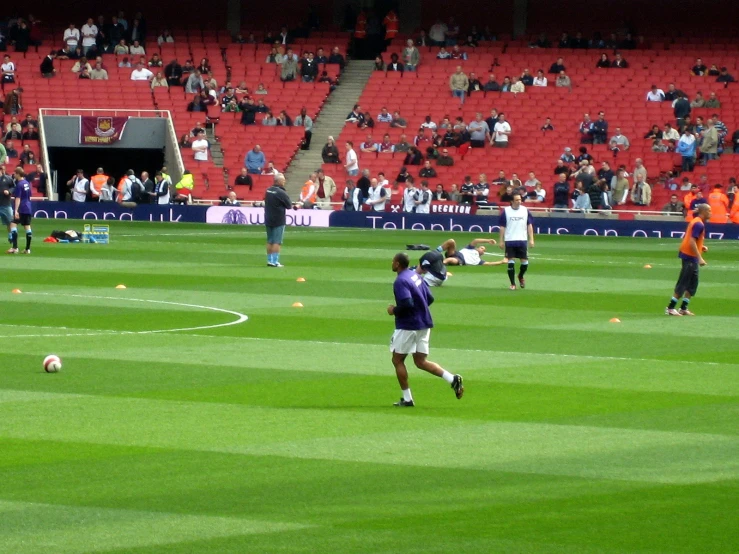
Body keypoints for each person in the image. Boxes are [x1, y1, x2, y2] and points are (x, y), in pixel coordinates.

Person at [387, 252, 464, 407]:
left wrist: (393, 310)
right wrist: (420, 310)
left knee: (397, 360)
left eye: (393, 261)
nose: (392, 264)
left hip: (409, 326)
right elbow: (430, 298)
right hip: (425, 323)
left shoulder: (400, 281)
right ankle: (453, 379)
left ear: (397, 263)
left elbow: (407, 303)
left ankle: (407, 399)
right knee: (420, 361)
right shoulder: (415, 276)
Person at [665, 204, 711, 316]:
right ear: (703, 211)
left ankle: (683, 307)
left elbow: (693, 239)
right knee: (684, 281)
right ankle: (670, 308)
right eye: (709, 211)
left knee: (693, 283)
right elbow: (691, 241)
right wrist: (700, 258)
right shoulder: (699, 224)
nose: (711, 213)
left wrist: (701, 247)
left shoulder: (697, 221)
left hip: (691, 255)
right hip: (689, 256)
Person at [498, 193, 535, 290]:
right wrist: (501, 240)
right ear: (512, 201)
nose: (519, 201)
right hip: (510, 240)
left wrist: (531, 239)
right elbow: (502, 226)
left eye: (520, 199)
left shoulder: (525, 210)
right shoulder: (506, 211)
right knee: (511, 261)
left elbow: (529, 225)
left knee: (525, 263)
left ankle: (520, 276)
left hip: (522, 240)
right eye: (517, 200)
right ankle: (512, 284)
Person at [264, 175, 294, 267]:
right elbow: (289, 206)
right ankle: (275, 261)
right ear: (279, 181)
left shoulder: (268, 190)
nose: (284, 182)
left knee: (270, 240)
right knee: (277, 241)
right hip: (278, 219)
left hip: (268, 217)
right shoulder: (281, 192)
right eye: (283, 180)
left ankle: (269, 260)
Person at [7, 167, 33, 254]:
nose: (14, 174)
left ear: (18, 174)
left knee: (13, 225)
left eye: (15, 173)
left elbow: (18, 198)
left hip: (21, 208)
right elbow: (30, 195)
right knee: (27, 227)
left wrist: (16, 210)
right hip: (28, 207)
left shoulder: (19, 184)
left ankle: (15, 248)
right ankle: (27, 249)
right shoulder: (27, 183)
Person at [437, 237, 502, 266]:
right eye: (482, 248)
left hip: (461, 260)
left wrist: (502, 261)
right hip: (456, 253)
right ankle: (436, 252)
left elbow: (489, 263)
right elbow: (476, 240)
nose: (483, 250)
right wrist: (488, 240)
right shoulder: (470, 248)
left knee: (450, 259)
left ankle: (438, 265)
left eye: (484, 250)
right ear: (478, 248)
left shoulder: (478, 260)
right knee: (451, 241)